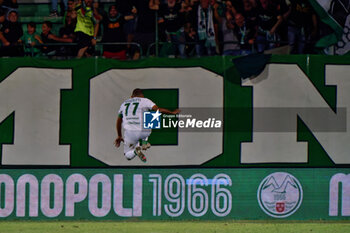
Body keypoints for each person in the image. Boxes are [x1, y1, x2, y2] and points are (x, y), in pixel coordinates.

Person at [114, 88, 180, 162]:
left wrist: (119, 135)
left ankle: (135, 151)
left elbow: (119, 121)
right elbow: (158, 110)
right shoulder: (145, 100)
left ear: (131, 96)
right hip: (144, 131)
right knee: (152, 114)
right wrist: (172, 112)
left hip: (130, 133)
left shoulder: (124, 104)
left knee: (127, 156)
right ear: (142, 95)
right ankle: (144, 140)